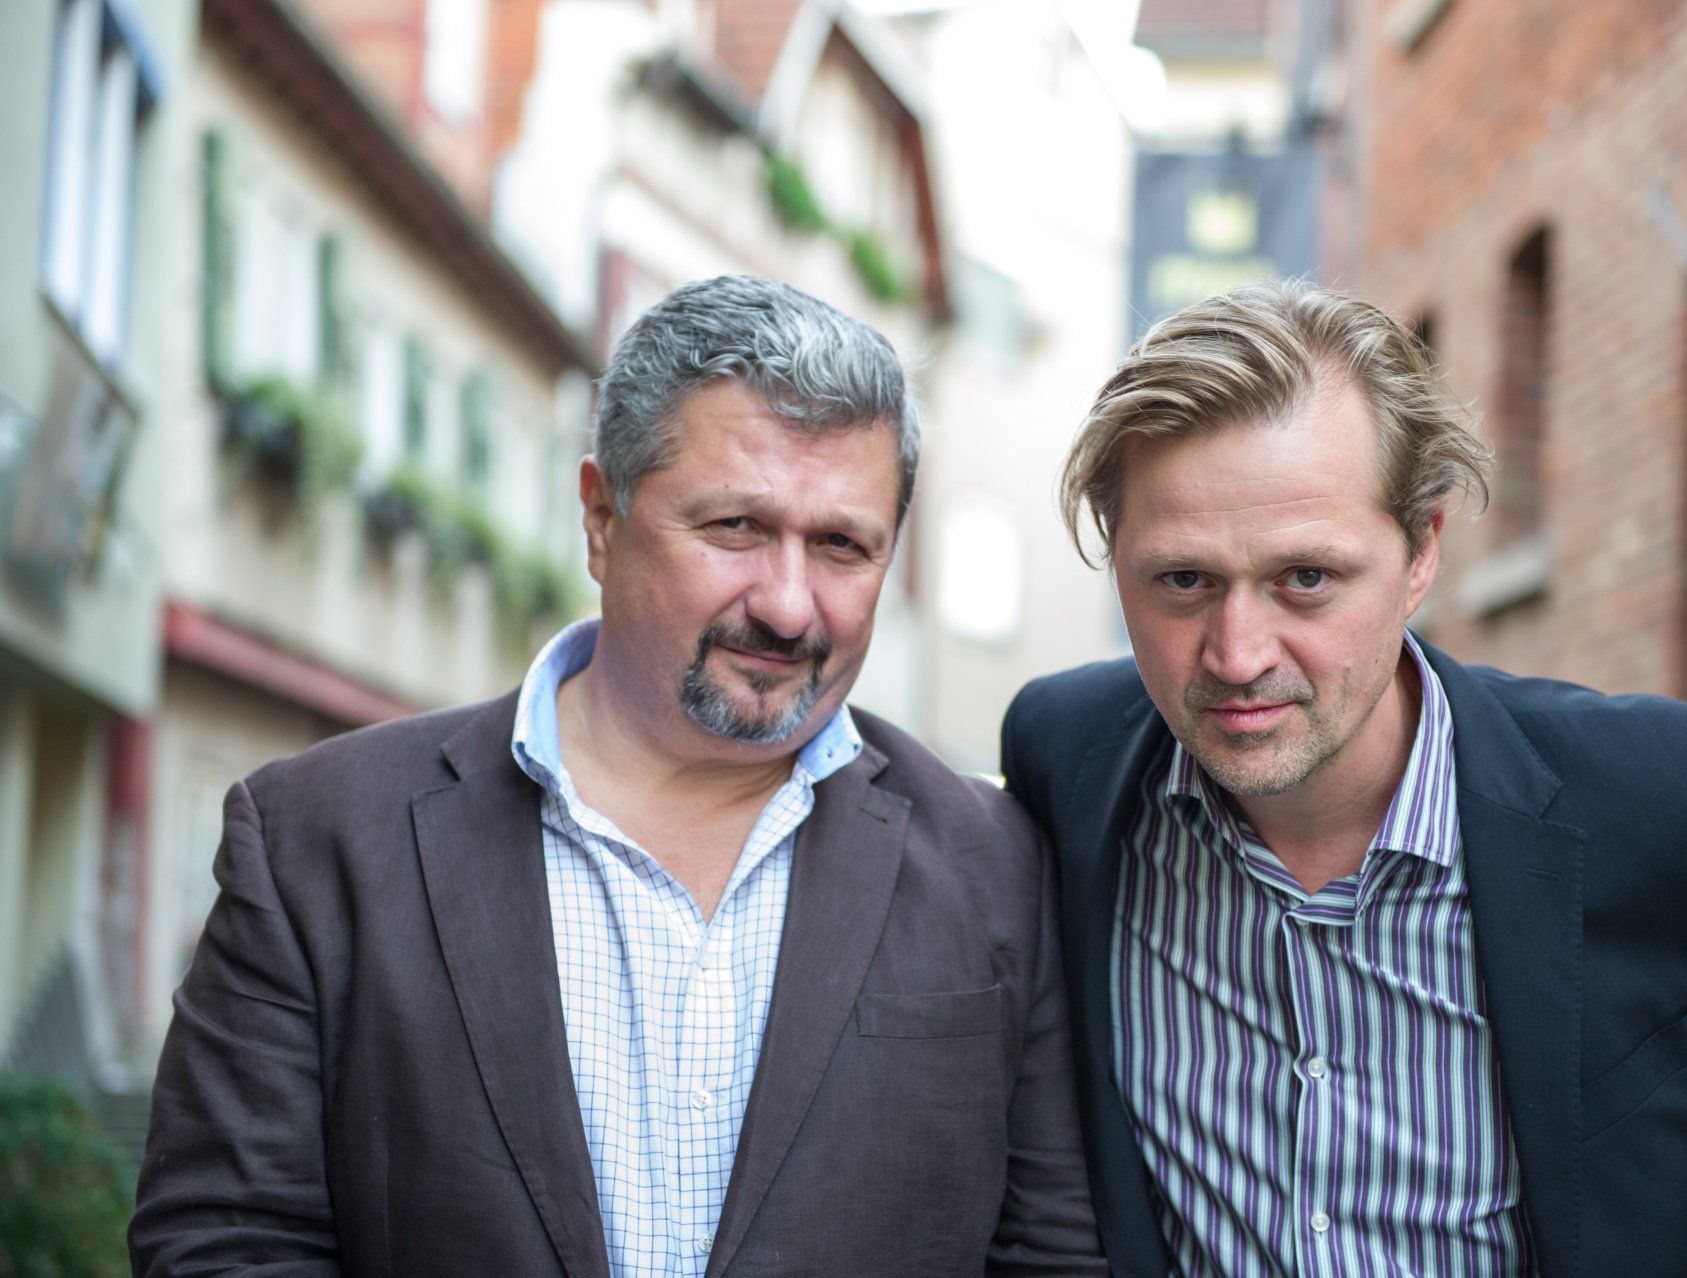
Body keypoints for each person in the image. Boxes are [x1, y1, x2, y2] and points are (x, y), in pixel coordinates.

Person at [132, 275, 1105, 1278]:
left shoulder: (998, 869)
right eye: (735, 528)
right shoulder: (317, 841)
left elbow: (1051, 1258)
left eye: (842, 546)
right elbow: (225, 1244)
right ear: (602, 517)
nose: (787, 605)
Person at [999, 279, 1687, 1277]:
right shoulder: (1068, 761)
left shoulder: (1681, 806)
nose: (1237, 653)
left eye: (1306, 578)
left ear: (1422, 553)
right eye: (1183, 580)